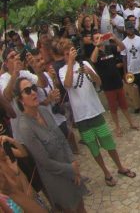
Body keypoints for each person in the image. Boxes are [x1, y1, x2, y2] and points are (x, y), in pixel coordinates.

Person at [59, 42, 136, 187]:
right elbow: (68, 84)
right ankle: (106, 172)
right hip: (82, 117)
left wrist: (90, 73)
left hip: (95, 112)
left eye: (71, 51)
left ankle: (120, 167)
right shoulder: (63, 70)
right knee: (94, 148)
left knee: (109, 143)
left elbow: (99, 82)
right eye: (66, 53)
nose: (70, 54)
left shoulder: (85, 64)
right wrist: (70, 63)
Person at [14, 77, 87, 212]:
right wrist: (71, 168)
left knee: (81, 206)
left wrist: (73, 164)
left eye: (34, 88)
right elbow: (45, 162)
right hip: (55, 178)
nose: (33, 93)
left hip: (70, 167)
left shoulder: (44, 111)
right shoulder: (25, 127)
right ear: (20, 99)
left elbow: (63, 140)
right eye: (27, 91)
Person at [90, 34, 140, 137]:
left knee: (124, 104)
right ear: (93, 42)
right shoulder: (95, 52)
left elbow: (122, 47)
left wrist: (115, 38)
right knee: (113, 107)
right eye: (96, 38)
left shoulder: (109, 47)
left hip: (117, 80)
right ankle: (117, 127)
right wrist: (97, 46)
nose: (99, 39)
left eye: (100, 37)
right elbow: (93, 60)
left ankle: (131, 123)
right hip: (107, 84)